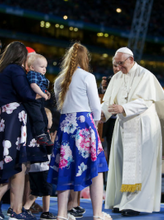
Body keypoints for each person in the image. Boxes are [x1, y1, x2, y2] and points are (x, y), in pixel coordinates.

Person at [0, 41, 47, 220]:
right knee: (19, 162)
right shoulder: (15, 70)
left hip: (2, 119)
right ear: (21, 56)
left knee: (17, 163)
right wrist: (40, 94)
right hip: (15, 117)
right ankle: (0, 202)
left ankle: (16, 209)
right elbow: (25, 94)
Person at [47, 42, 111, 220]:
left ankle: (61, 214)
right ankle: (97, 214)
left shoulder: (59, 79)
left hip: (65, 126)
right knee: (97, 169)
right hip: (85, 126)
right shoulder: (87, 77)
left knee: (64, 168)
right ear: (85, 59)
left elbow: (60, 107)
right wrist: (95, 124)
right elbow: (96, 108)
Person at [102, 47, 164, 217]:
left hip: (143, 124)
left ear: (131, 60)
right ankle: (121, 200)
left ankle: (136, 203)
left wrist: (123, 107)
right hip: (123, 124)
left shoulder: (145, 75)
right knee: (120, 162)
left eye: (121, 63)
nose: (118, 67)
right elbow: (109, 101)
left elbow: (146, 101)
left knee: (140, 164)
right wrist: (102, 114)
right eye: (116, 64)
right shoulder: (117, 77)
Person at [23, 108, 56, 220]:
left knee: (36, 190)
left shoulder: (34, 133)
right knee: (46, 190)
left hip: (33, 167)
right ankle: (45, 212)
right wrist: (52, 143)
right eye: (50, 119)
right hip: (43, 166)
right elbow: (47, 152)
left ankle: (25, 208)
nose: (51, 122)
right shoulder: (44, 135)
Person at [24, 53, 53, 146]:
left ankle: (44, 134)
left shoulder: (40, 75)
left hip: (39, 100)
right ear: (32, 67)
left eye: (45, 67)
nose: (44, 69)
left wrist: (46, 92)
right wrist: (42, 94)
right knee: (38, 118)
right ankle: (40, 136)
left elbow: (41, 86)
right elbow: (34, 85)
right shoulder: (32, 74)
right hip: (33, 101)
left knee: (43, 117)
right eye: (42, 66)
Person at [99, 59, 121, 162]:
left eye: (118, 66)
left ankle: (112, 176)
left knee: (114, 150)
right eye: (114, 66)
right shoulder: (110, 79)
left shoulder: (131, 80)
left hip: (119, 119)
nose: (116, 68)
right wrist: (103, 88)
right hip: (106, 119)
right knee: (100, 146)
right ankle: (102, 175)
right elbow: (100, 95)